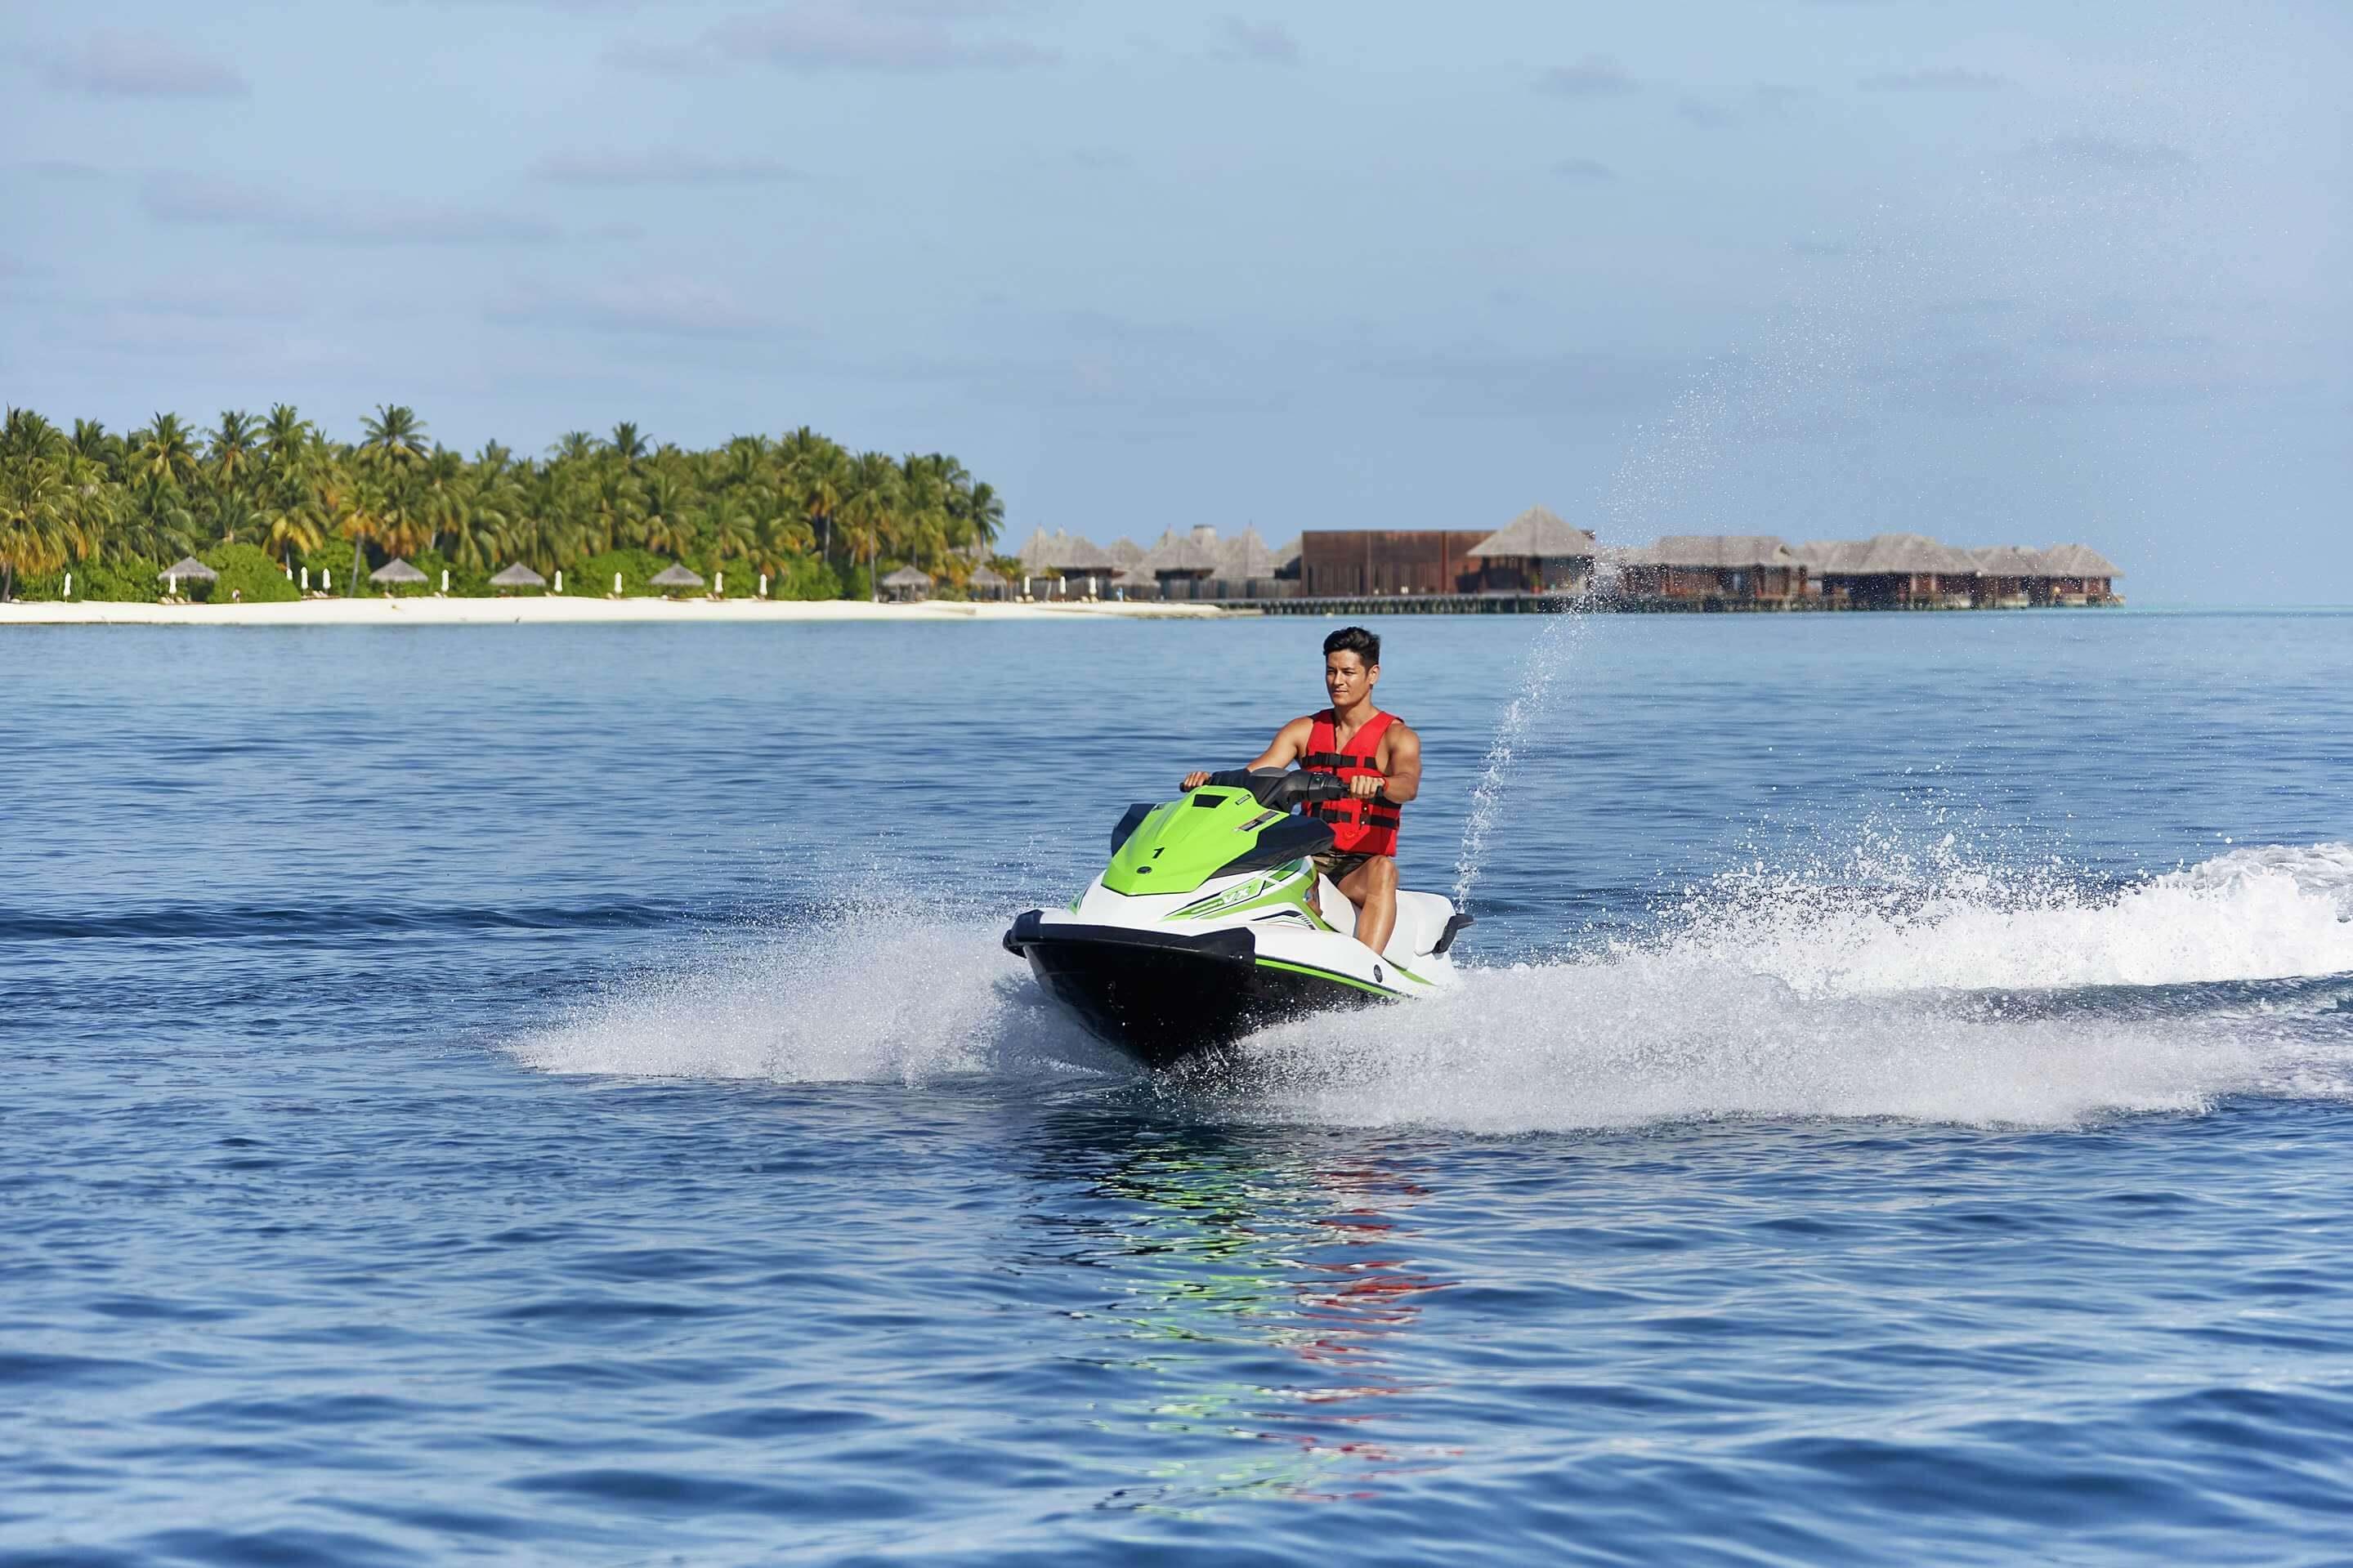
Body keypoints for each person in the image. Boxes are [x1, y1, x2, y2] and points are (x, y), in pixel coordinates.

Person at [1182, 625, 1421, 955]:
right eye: (1331, 671)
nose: (1338, 681)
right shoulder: (1303, 730)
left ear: (1372, 675)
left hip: (1360, 867)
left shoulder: (1397, 737)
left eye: (1349, 672)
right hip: (1311, 854)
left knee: (1385, 871)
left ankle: (1366, 967)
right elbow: (1258, 774)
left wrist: (1380, 783)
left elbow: (1408, 786)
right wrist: (1210, 782)